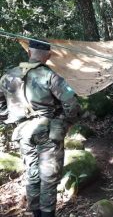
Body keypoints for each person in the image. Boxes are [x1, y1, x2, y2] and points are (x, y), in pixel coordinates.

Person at [0, 39, 80, 216]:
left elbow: (1, 106)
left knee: (32, 173)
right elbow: (72, 105)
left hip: (22, 132)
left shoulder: (7, 77)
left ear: (29, 53)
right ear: (48, 56)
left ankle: (35, 213)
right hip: (47, 130)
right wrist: (64, 122)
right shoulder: (50, 75)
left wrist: (12, 117)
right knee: (49, 177)